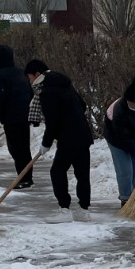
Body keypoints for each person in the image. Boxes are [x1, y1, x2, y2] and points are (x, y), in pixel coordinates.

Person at [37, 69, 93, 221]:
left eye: (28, 76)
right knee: (82, 173)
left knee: (57, 171)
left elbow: (52, 121)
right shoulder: (68, 87)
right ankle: (84, 209)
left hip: (68, 138)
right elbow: (83, 105)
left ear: (36, 75)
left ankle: (64, 209)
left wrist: (46, 142)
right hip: (83, 135)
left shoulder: (47, 92)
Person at [102, 77, 135, 206]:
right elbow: (123, 138)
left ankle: (131, 194)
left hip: (133, 136)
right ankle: (126, 199)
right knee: (125, 169)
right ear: (127, 100)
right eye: (133, 104)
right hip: (116, 139)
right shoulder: (119, 111)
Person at [0, 44, 34, 187]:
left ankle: (23, 178)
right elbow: (30, 92)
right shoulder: (21, 72)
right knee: (24, 148)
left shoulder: (1, 76)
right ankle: (27, 177)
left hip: (11, 118)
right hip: (24, 116)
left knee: (16, 149)